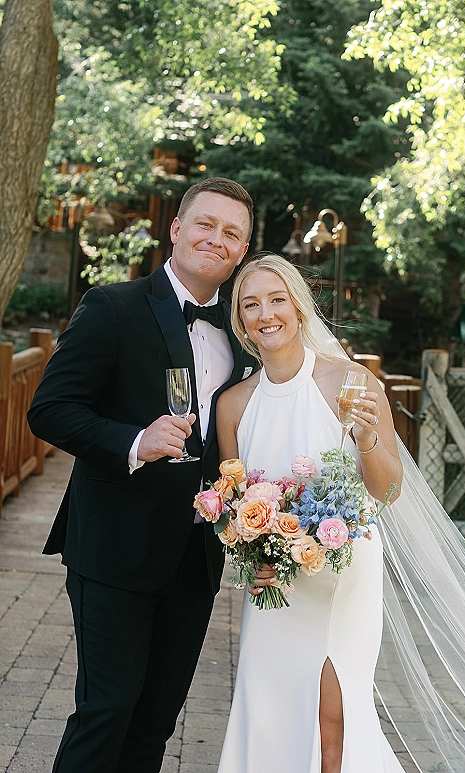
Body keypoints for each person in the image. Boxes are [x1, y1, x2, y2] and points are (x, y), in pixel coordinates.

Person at [215, 253, 465, 773]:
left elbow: (388, 490)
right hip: (277, 586)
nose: (265, 313)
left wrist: (365, 439)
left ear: (298, 308)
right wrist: (257, 557)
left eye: (277, 300)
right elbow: (234, 506)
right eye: (251, 305)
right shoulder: (233, 405)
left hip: (344, 576)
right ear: (241, 321)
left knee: (336, 716)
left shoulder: (352, 381)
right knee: (270, 709)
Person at [27, 178, 258, 773]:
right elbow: (50, 409)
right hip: (114, 548)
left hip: (195, 554)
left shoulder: (246, 334)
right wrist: (134, 440)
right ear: (176, 229)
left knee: (156, 721)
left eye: (232, 233)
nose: (217, 239)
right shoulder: (112, 307)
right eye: (205, 224)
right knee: (107, 711)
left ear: (242, 252)